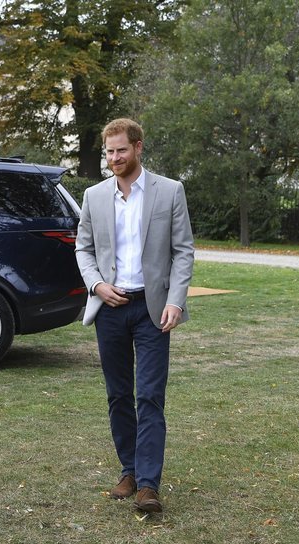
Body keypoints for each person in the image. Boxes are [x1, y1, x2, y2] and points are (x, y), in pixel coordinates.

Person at [75, 118, 195, 514]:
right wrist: (96, 285)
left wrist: (175, 301)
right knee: (118, 395)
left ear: (139, 147)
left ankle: (148, 484)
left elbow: (183, 251)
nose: (113, 158)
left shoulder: (170, 191)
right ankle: (128, 470)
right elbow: (83, 249)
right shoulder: (94, 196)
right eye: (109, 152)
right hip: (110, 307)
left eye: (121, 150)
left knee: (149, 395)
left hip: (152, 308)